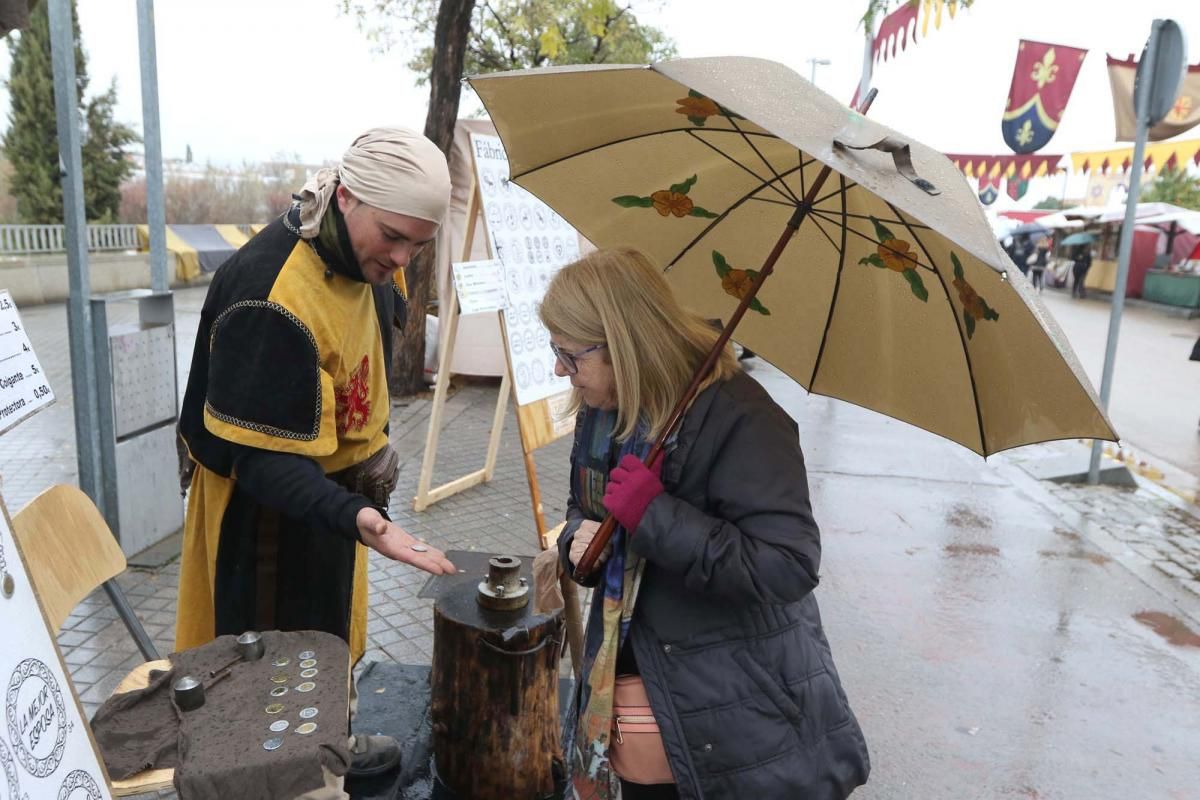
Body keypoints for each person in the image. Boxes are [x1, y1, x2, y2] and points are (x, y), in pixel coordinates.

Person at [174, 128, 457, 774]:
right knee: (267, 669)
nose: (403, 257)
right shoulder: (270, 294)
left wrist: (356, 509)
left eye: (419, 242)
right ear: (347, 197)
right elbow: (261, 463)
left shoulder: (373, 263)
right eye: (393, 236)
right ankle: (276, 776)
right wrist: (363, 519)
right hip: (261, 519)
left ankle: (330, 739)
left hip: (331, 501)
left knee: (330, 636)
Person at [543, 247, 869, 800]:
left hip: (730, 710)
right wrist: (579, 538)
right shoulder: (606, 409)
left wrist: (656, 516)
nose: (559, 370)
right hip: (634, 689)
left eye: (570, 355)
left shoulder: (743, 417)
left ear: (623, 342)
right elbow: (589, 510)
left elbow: (787, 567)